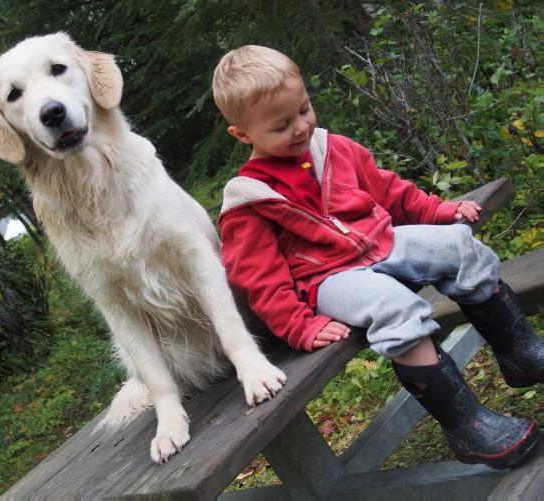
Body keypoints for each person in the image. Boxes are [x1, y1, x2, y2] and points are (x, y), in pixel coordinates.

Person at [212, 45, 542, 469]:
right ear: (243, 134)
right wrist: (296, 324)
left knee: (458, 245)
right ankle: (467, 425)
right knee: (394, 306)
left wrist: (436, 211)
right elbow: (257, 275)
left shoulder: (331, 148)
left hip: (380, 241)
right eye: (281, 126)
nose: (300, 128)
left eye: (304, 110)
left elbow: (387, 188)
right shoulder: (250, 200)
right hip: (329, 279)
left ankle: (519, 350)